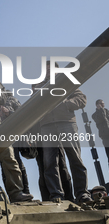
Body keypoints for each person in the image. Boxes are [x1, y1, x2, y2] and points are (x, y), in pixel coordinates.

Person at [37, 61, 91, 204]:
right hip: (47, 126)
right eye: (46, 69)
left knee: (75, 159)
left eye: (51, 69)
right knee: (49, 163)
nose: (48, 71)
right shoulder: (37, 86)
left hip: (67, 123)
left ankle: (82, 194)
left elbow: (82, 99)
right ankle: (56, 195)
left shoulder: (67, 81)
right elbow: (34, 106)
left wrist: (65, 104)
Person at [92, 99, 109, 164]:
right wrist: (101, 110)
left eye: (103, 103)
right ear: (97, 105)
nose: (102, 105)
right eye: (100, 103)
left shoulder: (107, 111)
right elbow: (102, 118)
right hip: (105, 136)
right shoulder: (94, 115)